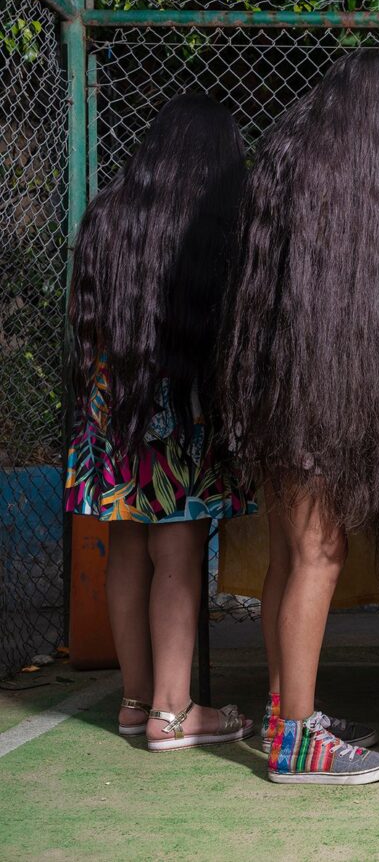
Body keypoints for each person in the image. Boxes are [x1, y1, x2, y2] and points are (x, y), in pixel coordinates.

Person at [219, 51, 379, 784]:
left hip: (273, 391)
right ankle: (298, 741)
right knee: (318, 558)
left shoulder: (291, 154)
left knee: (288, 557)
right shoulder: (363, 185)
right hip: (315, 398)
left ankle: (284, 712)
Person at [65, 95, 254, 750]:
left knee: (124, 543)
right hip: (180, 409)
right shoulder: (209, 224)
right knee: (177, 551)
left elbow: (85, 320)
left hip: (112, 406)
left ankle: (137, 700)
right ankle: (174, 714)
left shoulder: (107, 216)